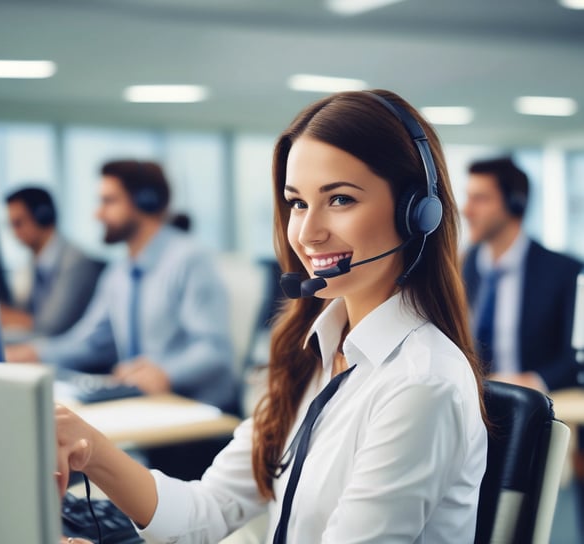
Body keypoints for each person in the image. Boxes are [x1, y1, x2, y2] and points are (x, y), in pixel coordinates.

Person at [55, 90, 487, 543]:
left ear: (417, 213)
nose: (307, 232)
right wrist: (87, 446)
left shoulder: (421, 384)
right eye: (297, 203)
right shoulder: (315, 355)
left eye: (340, 199)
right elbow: (203, 514)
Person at [6, 161, 236, 412]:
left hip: (198, 411)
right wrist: (34, 354)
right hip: (146, 406)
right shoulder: (119, 273)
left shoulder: (190, 260)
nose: (98, 214)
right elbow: (90, 342)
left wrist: (166, 373)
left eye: (109, 201)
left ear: (145, 202)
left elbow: (215, 350)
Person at [461, 157, 581, 392]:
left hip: (541, 406)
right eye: (468, 197)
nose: (467, 210)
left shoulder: (565, 272)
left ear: (515, 203)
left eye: (481, 199)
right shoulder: (464, 266)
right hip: (475, 405)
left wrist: (532, 382)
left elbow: (575, 358)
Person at [0, 187, 104, 337]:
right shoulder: (30, 263)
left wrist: (5, 315)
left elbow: (50, 328)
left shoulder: (75, 262)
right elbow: (23, 311)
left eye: (18, 223)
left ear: (43, 216)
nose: (14, 233)